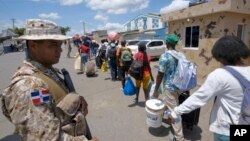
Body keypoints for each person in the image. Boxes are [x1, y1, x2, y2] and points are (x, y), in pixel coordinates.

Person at [1, 19, 99, 141]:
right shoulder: (31, 86)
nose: (60, 49)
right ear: (33, 46)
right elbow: (44, 137)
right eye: (53, 45)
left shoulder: (48, 72)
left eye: (59, 44)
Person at [163, 36, 250, 141]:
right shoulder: (181, 55)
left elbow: (199, 98)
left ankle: (178, 137)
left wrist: (176, 112)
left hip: (227, 130)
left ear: (222, 56)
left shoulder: (221, 74)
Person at [152, 34, 185, 141]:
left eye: (166, 42)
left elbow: (160, 74)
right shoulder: (181, 55)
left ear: (167, 43)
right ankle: (166, 117)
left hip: (170, 87)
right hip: (180, 86)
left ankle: (179, 137)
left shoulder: (165, 56)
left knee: (174, 111)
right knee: (168, 103)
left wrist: (156, 89)